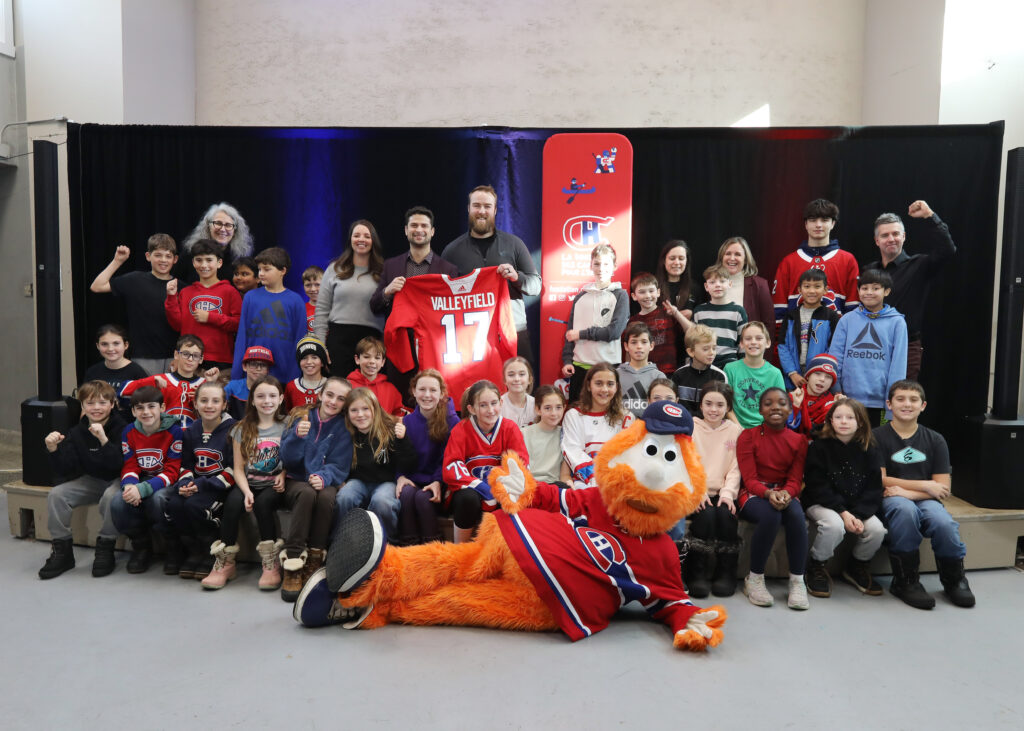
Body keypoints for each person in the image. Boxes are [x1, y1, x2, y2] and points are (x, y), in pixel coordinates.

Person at [874, 380, 975, 609]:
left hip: (922, 499)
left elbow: (941, 487)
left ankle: (954, 580)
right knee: (904, 510)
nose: (907, 404)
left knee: (943, 522)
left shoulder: (936, 440)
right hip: (892, 499)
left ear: (923, 405)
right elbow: (880, 480)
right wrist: (925, 486)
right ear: (889, 404)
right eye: (900, 399)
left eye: (913, 400)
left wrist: (909, 491)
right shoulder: (876, 437)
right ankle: (905, 581)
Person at [203, 376, 288, 591]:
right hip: (248, 483)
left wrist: (284, 473)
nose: (266, 401)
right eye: (260, 396)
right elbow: (239, 468)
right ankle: (226, 562)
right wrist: (246, 491)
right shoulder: (242, 428)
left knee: (263, 504)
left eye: (271, 396)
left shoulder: (287, 425)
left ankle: (270, 564)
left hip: (273, 485)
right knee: (231, 504)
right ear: (252, 400)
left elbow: (296, 457)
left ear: (281, 399)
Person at [37, 381, 128, 580]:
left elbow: (118, 465)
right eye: (90, 403)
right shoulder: (77, 432)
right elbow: (65, 469)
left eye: (102, 402)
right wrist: (53, 450)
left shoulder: (123, 428)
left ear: (112, 404)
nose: (96, 408)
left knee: (110, 497)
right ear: (83, 406)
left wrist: (104, 441)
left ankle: (106, 546)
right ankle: (63, 551)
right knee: (57, 495)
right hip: (92, 480)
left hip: (118, 479)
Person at [441, 185, 542, 362]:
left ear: (495, 210)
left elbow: (536, 287)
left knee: (519, 384)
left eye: (487, 206)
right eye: (476, 205)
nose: (481, 211)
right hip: (470, 336)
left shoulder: (514, 244)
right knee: (476, 389)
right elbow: (442, 296)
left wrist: (516, 277)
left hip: (513, 330)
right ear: (468, 208)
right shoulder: (452, 251)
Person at [861, 201, 956, 380]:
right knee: (870, 401)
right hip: (871, 344)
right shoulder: (868, 271)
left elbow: (948, 250)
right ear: (877, 240)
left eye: (896, 234)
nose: (891, 239)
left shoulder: (920, 265)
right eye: (885, 235)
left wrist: (930, 216)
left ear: (904, 236)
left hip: (906, 345)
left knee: (901, 399)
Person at [279, 376, 353, 601]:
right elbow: (286, 459)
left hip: (325, 480)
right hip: (296, 479)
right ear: (320, 395)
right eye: (329, 395)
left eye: (340, 399)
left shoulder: (343, 427)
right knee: (307, 493)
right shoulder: (300, 417)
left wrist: (324, 476)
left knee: (327, 496)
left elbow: (341, 464)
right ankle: (293, 562)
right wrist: (296, 438)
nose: (333, 401)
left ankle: (315, 559)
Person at [802, 398, 886, 599]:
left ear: (861, 422)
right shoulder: (819, 447)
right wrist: (843, 513)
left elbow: (874, 489)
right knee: (834, 525)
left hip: (855, 506)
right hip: (821, 502)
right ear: (830, 421)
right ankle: (817, 565)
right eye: (838, 417)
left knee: (876, 529)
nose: (844, 421)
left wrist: (857, 514)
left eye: (850, 417)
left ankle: (856, 565)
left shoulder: (870, 449)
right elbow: (817, 486)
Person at [737, 388, 810, 610]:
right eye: (768, 404)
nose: (775, 407)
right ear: (760, 410)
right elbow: (749, 479)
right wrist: (769, 494)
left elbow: (795, 479)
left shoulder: (798, 440)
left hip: (785, 493)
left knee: (797, 515)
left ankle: (798, 580)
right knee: (771, 515)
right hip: (754, 494)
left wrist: (787, 493)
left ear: (790, 409)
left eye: (781, 403)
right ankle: (755, 579)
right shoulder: (747, 436)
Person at [162, 381, 236, 580]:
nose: (209, 405)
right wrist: (185, 484)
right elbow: (185, 464)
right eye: (204, 400)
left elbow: (235, 469)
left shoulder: (233, 430)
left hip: (220, 487)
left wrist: (201, 485)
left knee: (195, 506)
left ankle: (208, 552)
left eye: (215, 401)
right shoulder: (192, 429)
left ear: (224, 405)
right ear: (195, 404)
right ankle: (193, 552)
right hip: (195, 486)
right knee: (175, 504)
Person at [109, 385, 184, 574]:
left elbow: (173, 471)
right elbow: (130, 464)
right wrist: (130, 487)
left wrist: (142, 490)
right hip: (140, 478)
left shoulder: (175, 432)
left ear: (162, 408)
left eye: (151, 406)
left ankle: (173, 546)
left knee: (158, 499)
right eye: (140, 408)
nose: (146, 412)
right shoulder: (128, 431)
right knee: (118, 501)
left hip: (166, 480)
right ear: (133, 411)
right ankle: (141, 546)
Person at [442, 380, 529, 543]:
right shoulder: (461, 430)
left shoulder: (510, 428)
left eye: (494, 403)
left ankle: (509, 550)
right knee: (467, 498)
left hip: (501, 488)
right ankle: (460, 550)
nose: (490, 410)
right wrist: (481, 487)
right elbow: (451, 467)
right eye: (483, 405)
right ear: (471, 409)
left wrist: (497, 488)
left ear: (501, 402)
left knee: (515, 497)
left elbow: (520, 465)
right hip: (471, 491)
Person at [335, 388, 416, 549]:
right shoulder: (347, 433)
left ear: (375, 409)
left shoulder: (390, 429)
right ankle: (344, 544)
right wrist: (340, 480)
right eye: (354, 410)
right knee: (345, 497)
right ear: (347, 413)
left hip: (386, 481)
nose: (360, 414)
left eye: (366, 409)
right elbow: (337, 460)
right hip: (358, 481)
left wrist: (402, 440)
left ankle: (388, 545)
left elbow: (409, 464)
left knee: (382, 502)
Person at [89, 234, 180, 375]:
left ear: (175, 259)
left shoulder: (183, 287)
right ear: (148, 256)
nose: (163, 260)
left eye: (168, 256)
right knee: (145, 396)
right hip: (143, 356)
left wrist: (180, 356)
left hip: (174, 356)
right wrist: (117, 261)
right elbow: (97, 286)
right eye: (158, 255)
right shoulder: (135, 280)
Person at [684, 381, 743, 598]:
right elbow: (686, 463)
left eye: (720, 405)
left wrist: (728, 494)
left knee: (726, 515)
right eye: (708, 404)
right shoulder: (690, 427)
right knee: (706, 515)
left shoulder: (735, 431)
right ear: (701, 405)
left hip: (722, 491)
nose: (713, 410)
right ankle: (696, 572)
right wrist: (697, 492)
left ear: (728, 408)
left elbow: (736, 467)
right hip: (695, 491)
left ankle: (726, 572)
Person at [828, 268, 907, 425]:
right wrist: (836, 391)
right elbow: (835, 357)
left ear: (887, 291)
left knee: (874, 446)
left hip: (880, 402)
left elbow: (898, 365)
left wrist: (892, 402)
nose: (869, 292)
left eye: (875, 288)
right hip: (847, 399)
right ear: (858, 291)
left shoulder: (897, 322)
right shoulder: (847, 320)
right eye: (864, 288)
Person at [772, 198, 860, 330]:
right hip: (796, 340)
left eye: (824, 220)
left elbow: (853, 309)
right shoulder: (789, 262)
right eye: (813, 220)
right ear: (806, 224)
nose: (818, 225)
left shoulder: (847, 260)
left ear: (833, 223)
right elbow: (779, 310)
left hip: (835, 340)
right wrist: (780, 344)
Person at [394, 370, 460, 545]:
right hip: (414, 479)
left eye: (433, 390)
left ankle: (434, 548)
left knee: (423, 498)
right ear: (414, 392)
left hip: (441, 482)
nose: (427, 395)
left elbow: (449, 458)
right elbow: (399, 455)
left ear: (441, 393)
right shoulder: (406, 422)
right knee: (406, 495)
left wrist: (439, 481)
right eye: (422, 389)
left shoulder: (452, 422)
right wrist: (399, 476)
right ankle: (410, 548)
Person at [560, 244, 630, 402]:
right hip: (579, 367)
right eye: (597, 263)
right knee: (577, 414)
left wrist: (582, 334)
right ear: (591, 266)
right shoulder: (580, 297)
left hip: (607, 368)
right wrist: (567, 360)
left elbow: (614, 332)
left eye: (606, 264)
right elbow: (570, 332)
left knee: (607, 417)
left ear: (614, 267)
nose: (601, 268)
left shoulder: (620, 295)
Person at [314, 219, 386, 373]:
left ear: (374, 241)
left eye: (367, 236)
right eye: (357, 235)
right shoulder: (334, 269)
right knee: (340, 391)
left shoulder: (384, 272)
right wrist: (320, 346)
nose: (361, 239)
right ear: (350, 240)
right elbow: (321, 310)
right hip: (339, 342)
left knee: (368, 394)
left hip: (372, 342)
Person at [232, 246, 307, 384]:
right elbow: (242, 336)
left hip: (284, 375)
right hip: (253, 373)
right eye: (259, 269)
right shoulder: (251, 297)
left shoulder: (296, 301)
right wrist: (236, 375)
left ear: (282, 271)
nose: (261, 273)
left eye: (266, 269)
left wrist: (294, 378)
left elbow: (299, 340)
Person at [164, 238, 242, 371]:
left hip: (220, 359)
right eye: (199, 260)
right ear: (193, 263)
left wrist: (210, 317)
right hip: (189, 357)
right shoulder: (186, 292)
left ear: (219, 263)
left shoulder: (230, 292)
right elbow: (177, 325)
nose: (204, 265)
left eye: (209, 260)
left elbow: (239, 324)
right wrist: (171, 297)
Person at [561, 363, 632, 489]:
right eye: (598, 383)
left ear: (616, 387)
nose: (604, 389)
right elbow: (573, 451)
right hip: (584, 484)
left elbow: (627, 455)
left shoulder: (626, 417)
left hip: (617, 483)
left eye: (610, 384)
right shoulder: (573, 416)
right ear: (589, 386)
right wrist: (596, 479)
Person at [120, 334, 212, 429]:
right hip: (165, 437)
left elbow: (220, 409)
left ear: (201, 359)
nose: (190, 359)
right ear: (176, 354)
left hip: (194, 437)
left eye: (195, 356)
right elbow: (123, 390)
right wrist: (150, 381)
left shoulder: (205, 384)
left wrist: (207, 391)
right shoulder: (160, 379)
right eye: (185, 354)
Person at [777, 269, 840, 391]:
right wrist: (792, 373)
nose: (812, 291)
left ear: (825, 290)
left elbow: (833, 348)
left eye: (817, 286)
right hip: (793, 380)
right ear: (800, 290)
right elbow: (782, 346)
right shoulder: (791, 316)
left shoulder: (831, 316)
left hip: (820, 378)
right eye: (807, 286)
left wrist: (816, 373)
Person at [724, 322, 785, 428]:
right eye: (748, 339)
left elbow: (779, 409)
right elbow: (726, 405)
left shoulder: (775, 374)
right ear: (741, 344)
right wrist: (739, 429)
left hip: (765, 430)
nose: (753, 342)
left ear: (768, 343)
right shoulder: (730, 369)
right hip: (735, 427)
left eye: (759, 338)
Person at [81, 324, 147, 419]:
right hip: (98, 426)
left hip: (126, 429)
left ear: (126, 345)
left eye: (116, 343)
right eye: (104, 344)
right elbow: (85, 407)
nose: (110, 349)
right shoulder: (92, 372)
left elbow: (145, 407)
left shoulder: (137, 372)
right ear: (97, 346)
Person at [688, 265, 747, 369]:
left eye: (722, 281)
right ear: (706, 287)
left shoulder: (738, 311)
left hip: (730, 363)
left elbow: (743, 342)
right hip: (703, 362)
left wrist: (743, 366)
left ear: (730, 284)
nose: (717, 285)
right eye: (712, 282)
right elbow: (693, 340)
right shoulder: (699, 311)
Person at [716, 236, 775, 334]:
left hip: (749, 347)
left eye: (738, 254)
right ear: (721, 257)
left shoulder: (759, 285)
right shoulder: (712, 283)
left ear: (746, 259)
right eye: (728, 254)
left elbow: (769, 325)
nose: (732, 258)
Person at [625, 272, 680, 376]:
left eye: (651, 291)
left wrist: (677, 314)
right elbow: (629, 351)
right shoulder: (632, 322)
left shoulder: (668, 313)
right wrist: (629, 372)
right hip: (643, 373)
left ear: (658, 292)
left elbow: (690, 332)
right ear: (634, 296)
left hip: (668, 371)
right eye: (642, 292)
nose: (647, 296)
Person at [671, 324, 728, 419]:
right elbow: (674, 405)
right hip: (683, 422)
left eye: (714, 348)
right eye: (706, 349)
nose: (711, 353)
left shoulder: (720, 376)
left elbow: (722, 407)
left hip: (710, 423)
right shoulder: (679, 375)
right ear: (691, 352)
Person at [787, 353, 842, 439]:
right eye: (817, 373)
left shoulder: (832, 403)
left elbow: (821, 433)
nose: (822, 379)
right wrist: (796, 405)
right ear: (808, 376)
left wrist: (836, 406)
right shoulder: (792, 397)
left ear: (832, 383)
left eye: (828, 377)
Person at [346, 336, 404, 416]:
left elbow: (398, 414)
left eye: (377, 358)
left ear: (383, 362)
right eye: (366, 357)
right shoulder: (347, 386)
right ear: (357, 359)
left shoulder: (391, 389)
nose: (372, 361)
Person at [182, 202, 254, 265]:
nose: (223, 229)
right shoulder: (191, 253)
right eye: (218, 223)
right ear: (208, 226)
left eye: (228, 225)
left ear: (235, 231)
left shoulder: (240, 257)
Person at [521, 385, 567, 485]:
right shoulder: (523, 434)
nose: (554, 413)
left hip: (554, 487)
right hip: (529, 486)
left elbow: (565, 475)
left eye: (558, 407)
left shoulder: (566, 435)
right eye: (547, 408)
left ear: (564, 408)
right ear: (538, 409)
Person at [618, 322, 660, 416]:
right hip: (621, 427)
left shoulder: (658, 376)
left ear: (651, 346)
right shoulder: (616, 374)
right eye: (634, 342)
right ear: (626, 346)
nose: (639, 346)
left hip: (648, 427)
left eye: (644, 342)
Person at [224, 346, 274, 419]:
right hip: (236, 428)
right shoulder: (233, 387)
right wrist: (211, 382)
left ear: (268, 370)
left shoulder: (273, 390)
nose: (258, 368)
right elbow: (217, 405)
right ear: (244, 367)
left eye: (263, 365)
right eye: (253, 364)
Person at [285, 335, 330, 411]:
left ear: (322, 362)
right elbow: (286, 414)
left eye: (314, 357)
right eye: (304, 358)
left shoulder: (330, 385)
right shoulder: (291, 387)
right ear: (299, 362)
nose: (309, 362)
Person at [654, 239, 696, 321]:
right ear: (663, 260)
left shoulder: (695, 288)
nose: (677, 262)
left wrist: (693, 314)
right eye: (672, 258)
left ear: (686, 261)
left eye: (681, 258)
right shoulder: (653, 286)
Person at [499, 356, 536, 429]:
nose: (516, 379)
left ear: (530, 379)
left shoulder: (537, 405)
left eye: (522, 374)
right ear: (504, 380)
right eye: (511, 375)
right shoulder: (497, 406)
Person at [302, 266, 324, 334]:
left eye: (317, 284)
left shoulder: (332, 308)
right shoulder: (302, 309)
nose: (313, 289)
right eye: (308, 285)